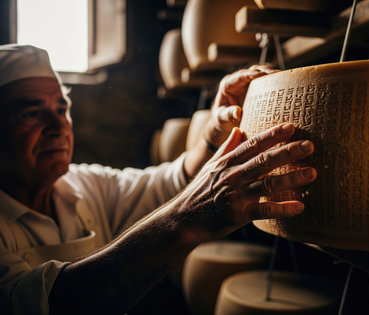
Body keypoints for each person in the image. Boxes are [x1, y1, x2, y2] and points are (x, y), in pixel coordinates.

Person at [0, 44, 317, 314]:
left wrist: (212, 139)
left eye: (62, 108)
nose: (58, 126)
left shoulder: (83, 186)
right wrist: (188, 219)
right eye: (31, 113)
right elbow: (49, 304)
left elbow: (167, 184)